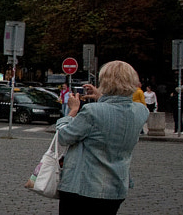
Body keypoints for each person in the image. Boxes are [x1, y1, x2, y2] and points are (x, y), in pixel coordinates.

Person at [54, 60, 149, 215]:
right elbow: (118, 110)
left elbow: (64, 136)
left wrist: (72, 111)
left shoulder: (92, 112)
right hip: (116, 188)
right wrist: (101, 97)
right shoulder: (141, 111)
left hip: (83, 188)